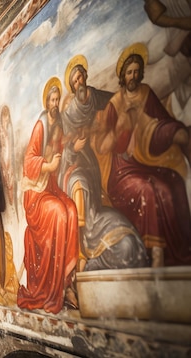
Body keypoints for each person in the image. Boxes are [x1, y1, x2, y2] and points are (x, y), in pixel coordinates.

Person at [97, 43, 191, 267]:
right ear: (123, 75)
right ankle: (154, 256)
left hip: (147, 161)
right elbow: (102, 146)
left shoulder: (147, 93)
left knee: (172, 184)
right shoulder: (115, 104)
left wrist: (171, 132)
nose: (133, 76)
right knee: (148, 190)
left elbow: (161, 121)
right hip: (121, 171)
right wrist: (121, 127)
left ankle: (179, 252)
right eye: (129, 72)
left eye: (137, 71)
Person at [59, 55, 148, 272]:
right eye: (75, 81)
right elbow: (62, 146)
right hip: (74, 166)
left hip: (93, 163)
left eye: (81, 77)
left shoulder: (95, 97)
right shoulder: (68, 114)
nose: (79, 83)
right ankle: (80, 258)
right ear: (72, 87)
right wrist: (73, 148)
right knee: (81, 187)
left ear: (86, 77)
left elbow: (116, 101)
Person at [18, 77, 79, 314]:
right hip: (35, 193)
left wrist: (74, 147)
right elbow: (28, 160)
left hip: (50, 186)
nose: (55, 103)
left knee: (71, 210)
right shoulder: (41, 125)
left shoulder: (59, 124)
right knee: (58, 213)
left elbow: (63, 150)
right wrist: (47, 166)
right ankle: (53, 289)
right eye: (52, 100)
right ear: (46, 101)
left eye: (57, 99)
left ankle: (66, 282)